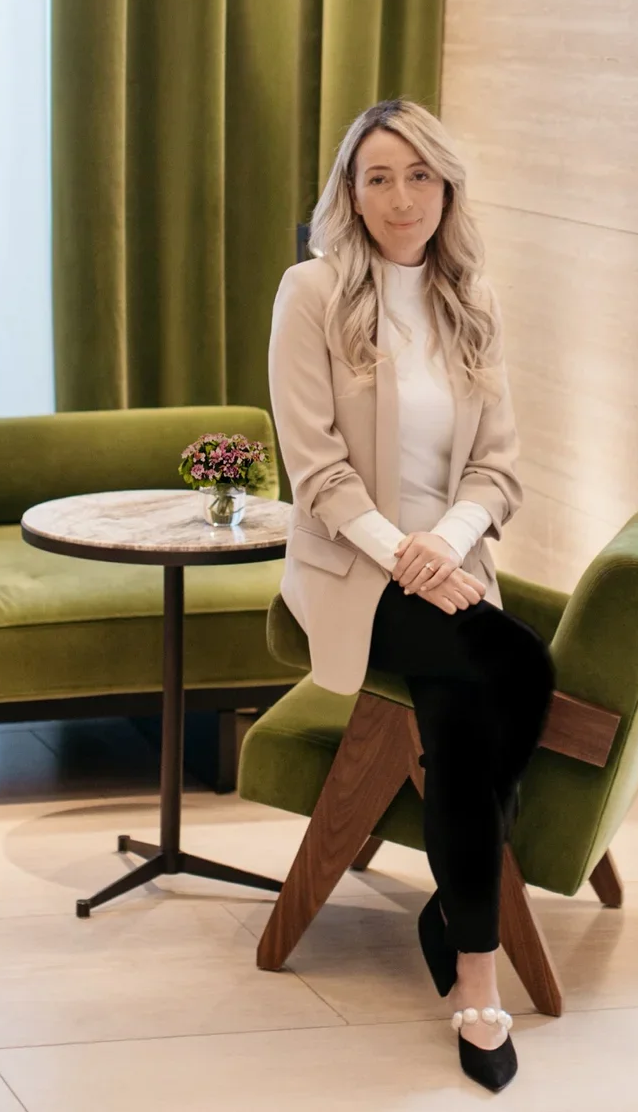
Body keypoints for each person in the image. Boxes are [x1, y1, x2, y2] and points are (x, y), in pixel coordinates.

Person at [267, 98, 555, 1094]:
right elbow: (316, 472)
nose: (400, 198)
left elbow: (500, 468)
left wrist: (449, 547)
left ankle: (459, 934)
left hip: (450, 564)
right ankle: (476, 975)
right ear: (349, 190)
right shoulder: (311, 293)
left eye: (418, 176)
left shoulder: (469, 298)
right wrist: (407, 557)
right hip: (354, 566)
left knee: (474, 709)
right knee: (510, 665)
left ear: (447, 187)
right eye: (378, 176)